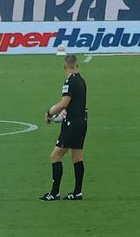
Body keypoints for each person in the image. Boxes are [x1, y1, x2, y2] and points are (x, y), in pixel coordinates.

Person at [40, 53, 88, 202]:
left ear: (64, 67)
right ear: (77, 65)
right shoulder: (81, 80)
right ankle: (77, 192)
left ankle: (54, 193)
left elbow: (63, 103)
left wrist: (49, 113)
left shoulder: (69, 82)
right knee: (77, 157)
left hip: (71, 124)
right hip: (82, 122)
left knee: (55, 156)